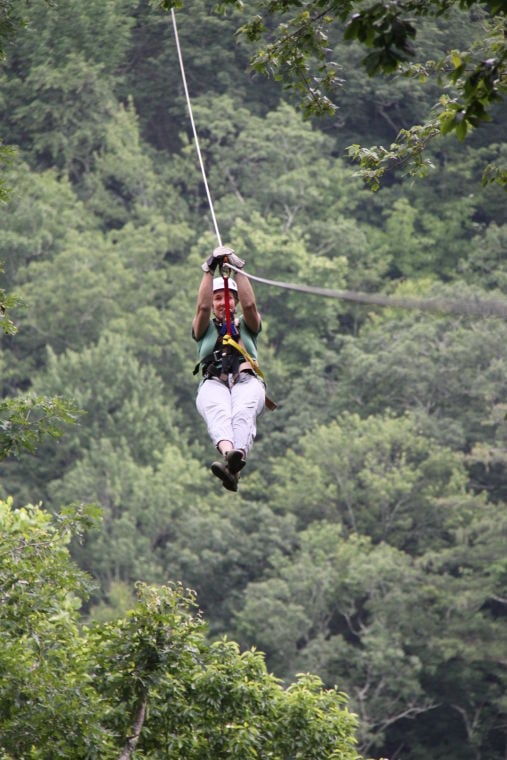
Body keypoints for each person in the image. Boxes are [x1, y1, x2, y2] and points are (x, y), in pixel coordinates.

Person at [192, 245, 266, 492]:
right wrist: (208, 269)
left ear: (234, 301)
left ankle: (235, 461)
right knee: (218, 412)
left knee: (243, 411)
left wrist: (238, 269)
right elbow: (201, 309)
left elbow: (251, 307)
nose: (223, 302)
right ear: (213, 303)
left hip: (246, 380)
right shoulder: (205, 330)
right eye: (217, 298)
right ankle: (230, 458)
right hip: (213, 382)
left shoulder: (247, 326)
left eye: (227, 297)